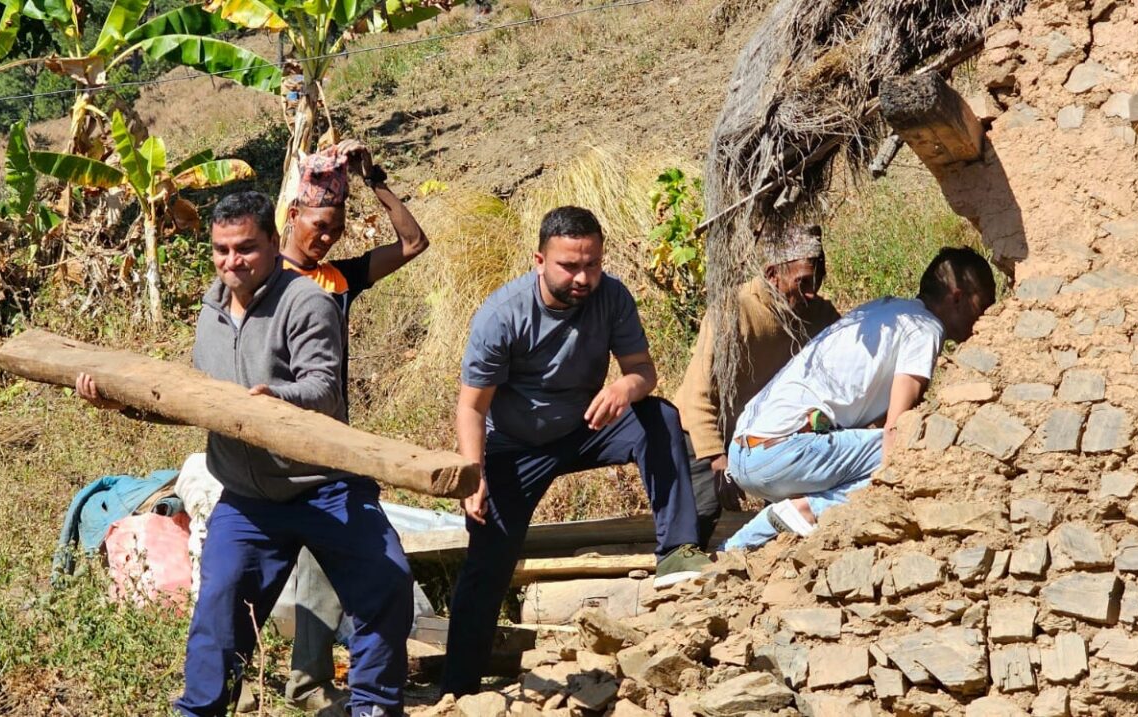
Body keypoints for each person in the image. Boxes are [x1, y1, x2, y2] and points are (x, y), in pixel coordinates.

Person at [75, 192, 413, 717]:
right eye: (222, 250)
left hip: (325, 487)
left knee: (386, 582)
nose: (232, 261)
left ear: (274, 243)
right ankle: (201, 711)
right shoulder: (210, 312)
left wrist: (273, 399)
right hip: (249, 499)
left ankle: (372, 707)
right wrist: (122, 404)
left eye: (246, 248)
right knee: (219, 611)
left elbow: (324, 388)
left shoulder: (307, 302)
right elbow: (195, 405)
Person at [441, 206, 712, 696]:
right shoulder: (503, 316)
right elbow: (471, 407)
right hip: (513, 449)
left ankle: (677, 552)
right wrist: (472, 475)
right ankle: (459, 691)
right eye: (569, 266)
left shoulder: (612, 297)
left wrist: (625, 388)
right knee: (487, 565)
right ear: (539, 261)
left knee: (659, 418)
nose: (583, 278)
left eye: (592, 264)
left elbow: (643, 372)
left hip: (587, 427)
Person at [278, 139, 430, 713]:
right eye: (319, 226)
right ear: (294, 214)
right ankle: (241, 681)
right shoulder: (262, 276)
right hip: (271, 442)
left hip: (330, 445)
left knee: (326, 560)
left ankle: (311, 683)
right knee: (249, 568)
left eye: (336, 230)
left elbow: (413, 243)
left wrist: (376, 181)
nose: (327, 238)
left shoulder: (337, 280)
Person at [722, 246, 996, 551]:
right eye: (985, 304)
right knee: (920, 450)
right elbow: (896, 430)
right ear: (957, 297)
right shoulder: (925, 328)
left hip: (744, 453)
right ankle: (809, 509)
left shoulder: (884, 311)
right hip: (782, 452)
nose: (987, 317)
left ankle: (732, 549)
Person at [674, 225, 840, 548]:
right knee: (702, 511)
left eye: (818, 280)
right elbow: (698, 396)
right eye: (803, 282)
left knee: (789, 513)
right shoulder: (733, 311)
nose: (812, 292)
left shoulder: (819, 314)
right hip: (704, 432)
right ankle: (683, 564)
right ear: (773, 274)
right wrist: (717, 460)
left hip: (765, 434)